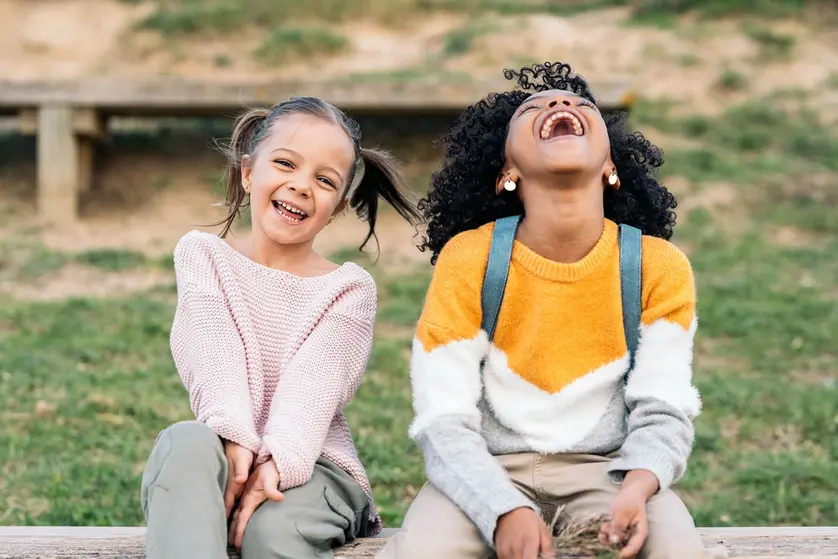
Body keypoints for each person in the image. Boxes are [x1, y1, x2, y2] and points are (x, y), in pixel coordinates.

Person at [378, 62, 710, 559]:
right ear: (506, 172)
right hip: (485, 471)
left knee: (676, 551)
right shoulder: (469, 259)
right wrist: (501, 508)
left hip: (610, 472)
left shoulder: (658, 267)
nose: (560, 104)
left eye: (580, 105)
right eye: (533, 108)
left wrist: (638, 488)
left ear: (610, 165)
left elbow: (664, 407)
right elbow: (443, 416)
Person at [140, 97, 420, 559]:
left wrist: (277, 463)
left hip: (313, 465)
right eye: (286, 163)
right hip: (224, 447)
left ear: (337, 207)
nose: (301, 186)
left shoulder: (349, 290)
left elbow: (311, 389)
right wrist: (235, 442)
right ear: (249, 173)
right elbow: (214, 356)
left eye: (324, 180)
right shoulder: (202, 256)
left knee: (271, 531)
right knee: (184, 443)